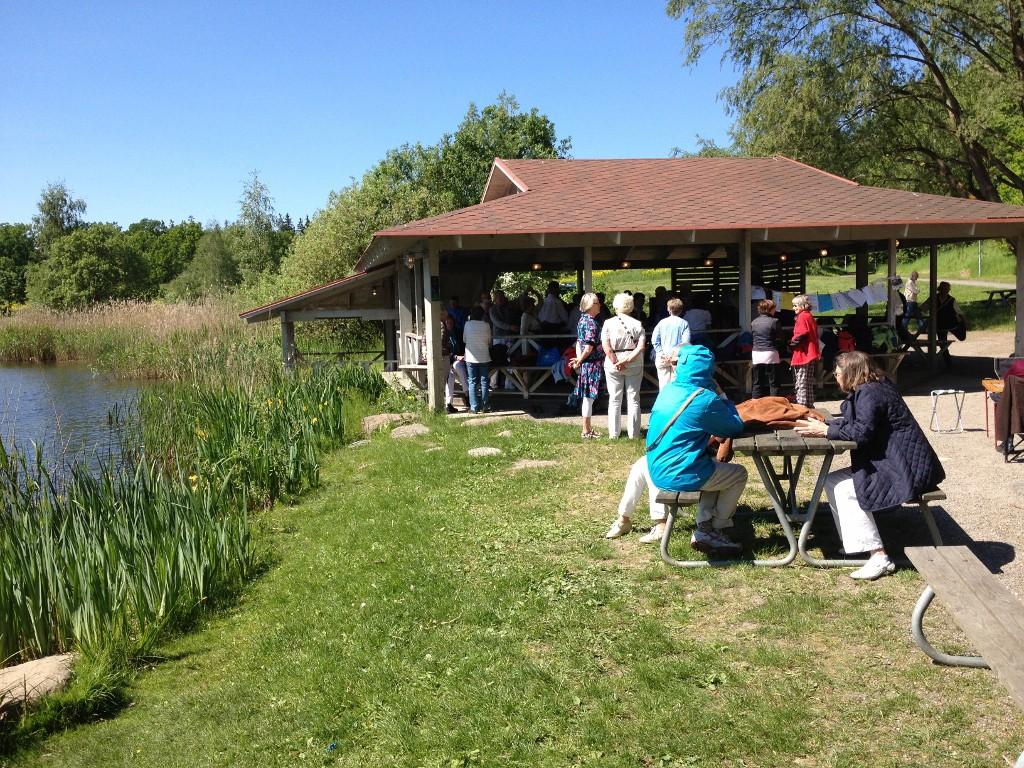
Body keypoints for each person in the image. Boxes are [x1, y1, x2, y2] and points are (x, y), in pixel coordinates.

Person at [795, 351, 945, 580]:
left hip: (905, 469)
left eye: (837, 374)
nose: (835, 378)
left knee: (846, 490)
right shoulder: (874, 386)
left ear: (850, 373)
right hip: (899, 462)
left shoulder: (870, 393)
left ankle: (879, 557)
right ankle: (856, 543)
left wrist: (827, 431)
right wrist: (829, 424)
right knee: (831, 480)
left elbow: (862, 433)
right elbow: (862, 423)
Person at [605, 344, 748, 549]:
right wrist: (722, 395)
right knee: (738, 474)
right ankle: (713, 528)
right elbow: (733, 426)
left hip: (659, 465)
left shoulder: (668, 390)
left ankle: (625, 519)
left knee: (642, 464)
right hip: (682, 472)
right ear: (708, 369)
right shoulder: (705, 399)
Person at [601, 293, 646, 439]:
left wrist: (615, 361)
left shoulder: (608, 323)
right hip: (634, 362)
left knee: (614, 398)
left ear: (615, 305)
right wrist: (626, 361)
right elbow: (640, 347)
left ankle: (614, 433)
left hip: (613, 363)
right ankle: (634, 433)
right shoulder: (638, 324)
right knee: (633, 398)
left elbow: (605, 345)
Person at [569, 293, 605, 439]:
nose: (600, 304)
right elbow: (589, 347)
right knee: (589, 398)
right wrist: (580, 360)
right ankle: (586, 430)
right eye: (597, 302)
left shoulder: (582, 320)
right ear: (590, 305)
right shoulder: (591, 322)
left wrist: (579, 359)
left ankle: (587, 428)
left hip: (587, 363)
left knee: (587, 398)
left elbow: (580, 342)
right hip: (591, 364)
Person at [650, 297, 690, 389]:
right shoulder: (684, 323)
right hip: (677, 358)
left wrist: (661, 353)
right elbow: (686, 342)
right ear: (681, 310)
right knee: (677, 385)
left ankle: (663, 402)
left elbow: (654, 340)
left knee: (663, 386)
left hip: (663, 357)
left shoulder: (662, 322)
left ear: (668, 309)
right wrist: (673, 355)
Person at [789, 294, 820, 407]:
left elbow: (801, 334)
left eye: (795, 305)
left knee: (801, 382)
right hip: (811, 352)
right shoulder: (809, 316)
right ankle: (809, 405)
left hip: (803, 353)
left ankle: (801, 406)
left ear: (802, 305)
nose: (793, 308)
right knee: (808, 381)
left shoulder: (802, 317)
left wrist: (791, 344)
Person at [929, 281, 966, 367]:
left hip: (952, 324)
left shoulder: (951, 300)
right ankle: (948, 362)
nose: (946, 291)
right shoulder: (933, 299)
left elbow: (959, 312)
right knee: (943, 344)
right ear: (940, 289)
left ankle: (948, 363)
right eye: (944, 289)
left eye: (947, 289)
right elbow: (922, 308)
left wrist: (964, 322)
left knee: (962, 337)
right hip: (939, 326)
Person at [463, 306, 492, 414]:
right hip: (484, 356)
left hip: (471, 357)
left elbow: (464, 339)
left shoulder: (467, 324)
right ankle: (485, 406)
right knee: (484, 382)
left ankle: (474, 407)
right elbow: (489, 341)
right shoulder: (486, 325)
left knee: (472, 382)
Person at [750, 299, 780, 398]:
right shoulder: (774, 321)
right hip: (770, 352)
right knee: (773, 381)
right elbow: (780, 337)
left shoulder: (754, 322)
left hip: (756, 353)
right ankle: (774, 405)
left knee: (757, 381)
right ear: (770, 309)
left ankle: (755, 404)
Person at [442, 315, 468, 413]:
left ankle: (466, 394)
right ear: (445, 324)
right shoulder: (444, 334)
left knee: (458, 367)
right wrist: (456, 357)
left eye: (452, 323)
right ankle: (449, 403)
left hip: (458, 361)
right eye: (448, 323)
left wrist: (463, 355)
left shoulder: (458, 332)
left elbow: (463, 345)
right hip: (447, 361)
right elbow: (444, 351)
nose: (450, 325)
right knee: (451, 377)